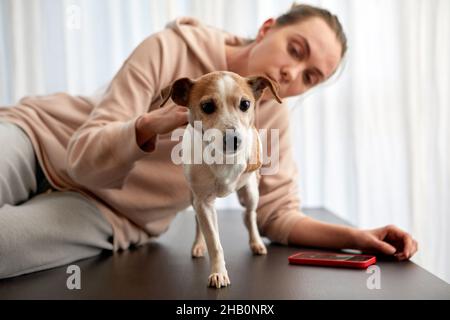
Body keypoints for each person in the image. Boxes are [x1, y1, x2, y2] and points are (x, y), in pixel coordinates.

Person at [0, 4, 417, 279]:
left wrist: (357, 236)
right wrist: (148, 126)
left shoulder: (269, 116)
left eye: (310, 76)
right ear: (267, 28)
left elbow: (278, 216)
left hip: (107, 212)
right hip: (40, 137)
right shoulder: (170, 49)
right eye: (295, 50)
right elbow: (82, 157)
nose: (293, 73)